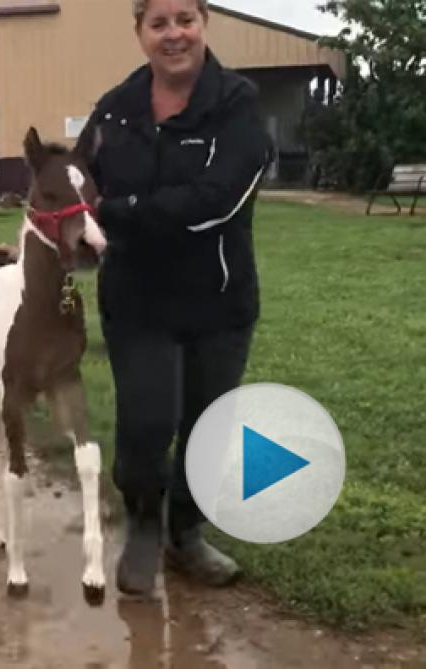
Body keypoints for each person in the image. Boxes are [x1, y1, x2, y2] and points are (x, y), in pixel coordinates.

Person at [81, 0, 272, 595]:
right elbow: (79, 188)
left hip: (218, 302)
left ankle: (185, 534)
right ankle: (143, 523)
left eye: (184, 19)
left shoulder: (237, 103)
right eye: (158, 23)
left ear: (204, 23)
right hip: (137, 304)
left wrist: (121, 213)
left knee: (207, 428)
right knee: (145, 425)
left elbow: (218, 199)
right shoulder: (113, 111)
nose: (174, 35)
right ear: (139, 31)